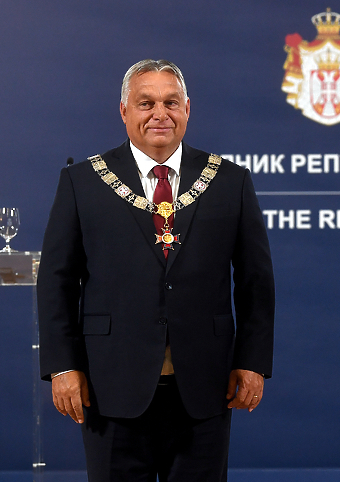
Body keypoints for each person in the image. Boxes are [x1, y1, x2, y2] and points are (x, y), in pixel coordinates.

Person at [37, 59, 275, 482]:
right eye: (145, 103)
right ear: (124, 111)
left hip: (205, 387)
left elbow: (256, 282)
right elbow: (56, 281)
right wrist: (62, 366)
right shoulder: (82, 181)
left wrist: (253, 362)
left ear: (188, 108)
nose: (159, 114)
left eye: (171, 102)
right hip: (110, 387)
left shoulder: (230, 181)